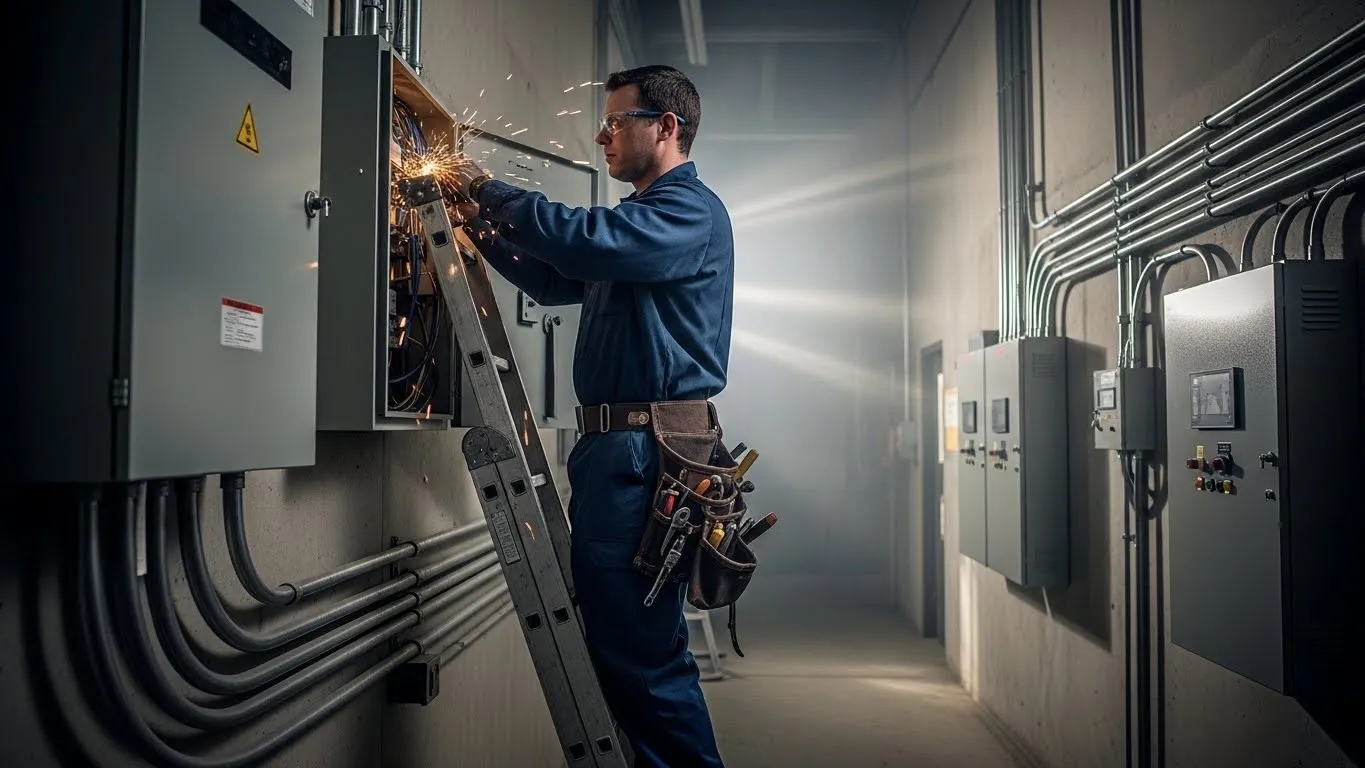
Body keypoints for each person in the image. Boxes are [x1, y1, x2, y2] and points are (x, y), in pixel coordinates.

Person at [450, 65, 732, 768]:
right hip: (621, 450)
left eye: (616, 121)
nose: (600, 134)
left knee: (642, 662)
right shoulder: (642, 226)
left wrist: (481, 186)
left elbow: (581, 240)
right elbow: (551, 274)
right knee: (621, 648)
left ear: (665, 128)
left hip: (646, 453)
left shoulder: (685, 214)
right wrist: (470, 221)